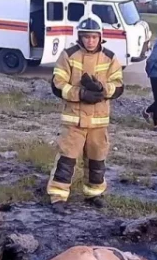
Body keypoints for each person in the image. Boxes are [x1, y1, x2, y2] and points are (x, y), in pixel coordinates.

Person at [48, 13, 125, 212]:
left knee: (97, 159)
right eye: (86, 36)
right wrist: (80, 93)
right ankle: (58, 196)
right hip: (74, 120)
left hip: (99, 122)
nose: (90, 41)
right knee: (67, 159)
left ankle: (94, 194)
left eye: (94, 37)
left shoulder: (109, 57)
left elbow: (118, 86)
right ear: (80, 36)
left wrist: (102, 89)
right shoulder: (68, 55)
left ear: (100, 37)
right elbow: (57, 85)